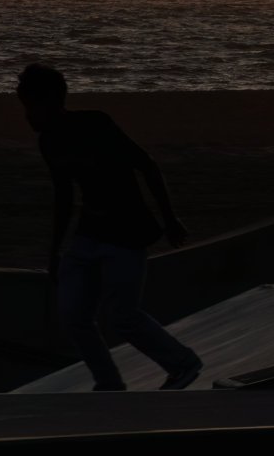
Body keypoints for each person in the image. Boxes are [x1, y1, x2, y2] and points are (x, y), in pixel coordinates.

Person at [14, 65, 203, 392]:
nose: (28, 116)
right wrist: (56, 252)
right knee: (74, 315)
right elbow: (64, 195)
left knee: (123, 317)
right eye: (25, 107)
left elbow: (146, 165)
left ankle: (183, 363)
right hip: (88, 236)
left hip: (126, 234)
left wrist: (170, 219)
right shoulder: (49, 142)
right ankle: (108, 382)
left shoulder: (95, 123)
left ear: (51, 102)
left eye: (31, 107)